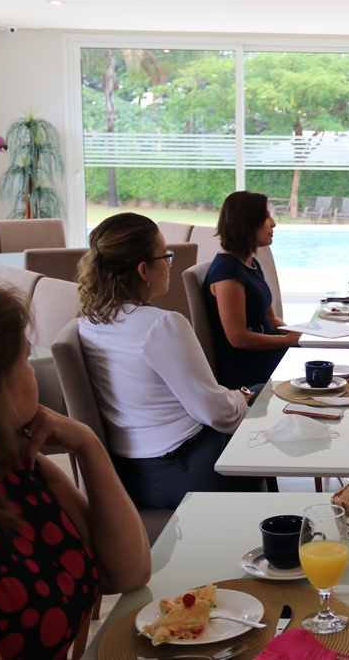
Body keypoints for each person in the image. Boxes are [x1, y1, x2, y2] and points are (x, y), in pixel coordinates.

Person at [0, 283, 151, 660]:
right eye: (24, 358)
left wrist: (89, 445)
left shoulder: (15, 466)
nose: (33, 372)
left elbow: (127, 572)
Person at [78, 212, 262, 509]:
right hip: (190, 472)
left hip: (136, 478)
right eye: (165, 255)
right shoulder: (160, 325)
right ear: (143, 270)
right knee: (267, 402)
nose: (169, 263)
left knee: (256, 397)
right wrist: (242, 398)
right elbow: (217, 414)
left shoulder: (89, 323)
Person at [204, 191, 300, 391]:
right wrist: (285, 340)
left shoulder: (249, 262)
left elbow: (271, 319)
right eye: (266, 216)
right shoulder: (227, 272)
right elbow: (238, 337)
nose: (273, 223)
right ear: (247, 223)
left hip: (267, 354)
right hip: (249, 367)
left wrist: (296, 334)